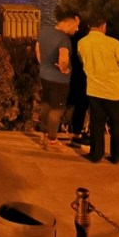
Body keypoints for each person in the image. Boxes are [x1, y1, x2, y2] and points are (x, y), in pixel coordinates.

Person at [77, 13, 119, 164]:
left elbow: (82, 61)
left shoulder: (82, 43)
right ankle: (117, 156)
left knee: (96, 123)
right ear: (103, 26)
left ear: (89, 26)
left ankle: (96, 154)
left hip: (94, 90)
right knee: (117, 125)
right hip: (115, 91)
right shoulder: (113, 43)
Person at [35, 11, 79, 151]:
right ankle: (52, 139)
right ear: (69, 24)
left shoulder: (45, 31)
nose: (77, 29)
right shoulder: (64, 40)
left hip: (44, 76)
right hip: (59, 80)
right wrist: (64, 68)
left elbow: (37, 49)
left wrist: (43, 64)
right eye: (76, 26)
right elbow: (63, 57)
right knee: (56, 109)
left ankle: (43, 134)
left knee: (46, 105)